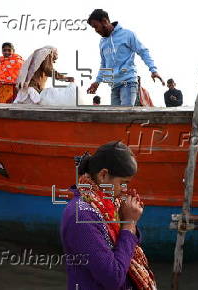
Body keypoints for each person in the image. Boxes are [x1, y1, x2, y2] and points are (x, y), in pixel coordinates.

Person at [60, 141, 157, 290]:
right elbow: (113, 278)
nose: (125, 190)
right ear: (103, 175)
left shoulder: (107, 204)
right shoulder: (81, 216)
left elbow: (127, 246)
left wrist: (128, 220)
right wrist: (129, 223)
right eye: (123, 183)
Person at [86, 9, 164, 106]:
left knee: (124, 114)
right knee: (115, 118)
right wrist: (97, 82)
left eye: (96, 26)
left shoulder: (127, 35)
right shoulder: (102, 43)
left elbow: (143, 51)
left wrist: (153, 70)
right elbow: (104, 64)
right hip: (114, 86)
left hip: (128, 83)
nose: (96, 30)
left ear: (104, 21)